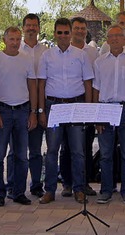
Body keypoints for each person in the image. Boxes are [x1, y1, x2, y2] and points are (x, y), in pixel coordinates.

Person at [37, 18, 93, 204]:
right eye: (59, 32)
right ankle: (50, 190)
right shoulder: (46, 56)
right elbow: (41, 84)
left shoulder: (81, 55)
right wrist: (41, 111)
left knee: (78, 151)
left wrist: (88, 108)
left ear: (70, 34)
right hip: (53, 107)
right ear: (54, 34)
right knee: (52, 150)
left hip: (76, 106)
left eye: (66, 32)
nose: (62, 36)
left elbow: (88, 83)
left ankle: (78, 189)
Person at [0, 26, 37, 207]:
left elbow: (32, 86)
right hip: (2, 110)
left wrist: (33, 112)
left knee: (22, 155)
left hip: (23, 110)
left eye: (18, 39)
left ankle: (18, 192)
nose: (15, 43)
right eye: (12, 39)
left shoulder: (27, 60)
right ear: (4, 40)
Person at [93, 25, 125, 205]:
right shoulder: (99, 62)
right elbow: (96, 90)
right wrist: (96, 116)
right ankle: (106, 190)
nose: (114, 39)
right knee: (105, 153)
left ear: (124, 39)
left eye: (118, 36)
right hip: (105, 109)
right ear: (106, 40)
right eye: (111, 36)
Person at [58, 16, 100, 197]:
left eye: (83, 28)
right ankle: (67, 182)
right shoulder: (63, 50)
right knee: (66, 146)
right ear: (71, 30)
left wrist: (90, 107)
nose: (80, 31)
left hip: (85, 101)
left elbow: (92, 81)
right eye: (76, 28)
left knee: (87, 145)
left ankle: (84, 183)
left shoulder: (92, 52)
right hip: (67, 103)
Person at [15, 13, 48, 198]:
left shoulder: (46, 51)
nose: (31, 28)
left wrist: (38, 110)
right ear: (23, 28)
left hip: (39, 104)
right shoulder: (14, 49)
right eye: (28, 25)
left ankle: (36, 185)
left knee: (35, 150)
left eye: (34, 25)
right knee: (16, 152)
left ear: (39, 28)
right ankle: (13, 185)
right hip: (18, 104)